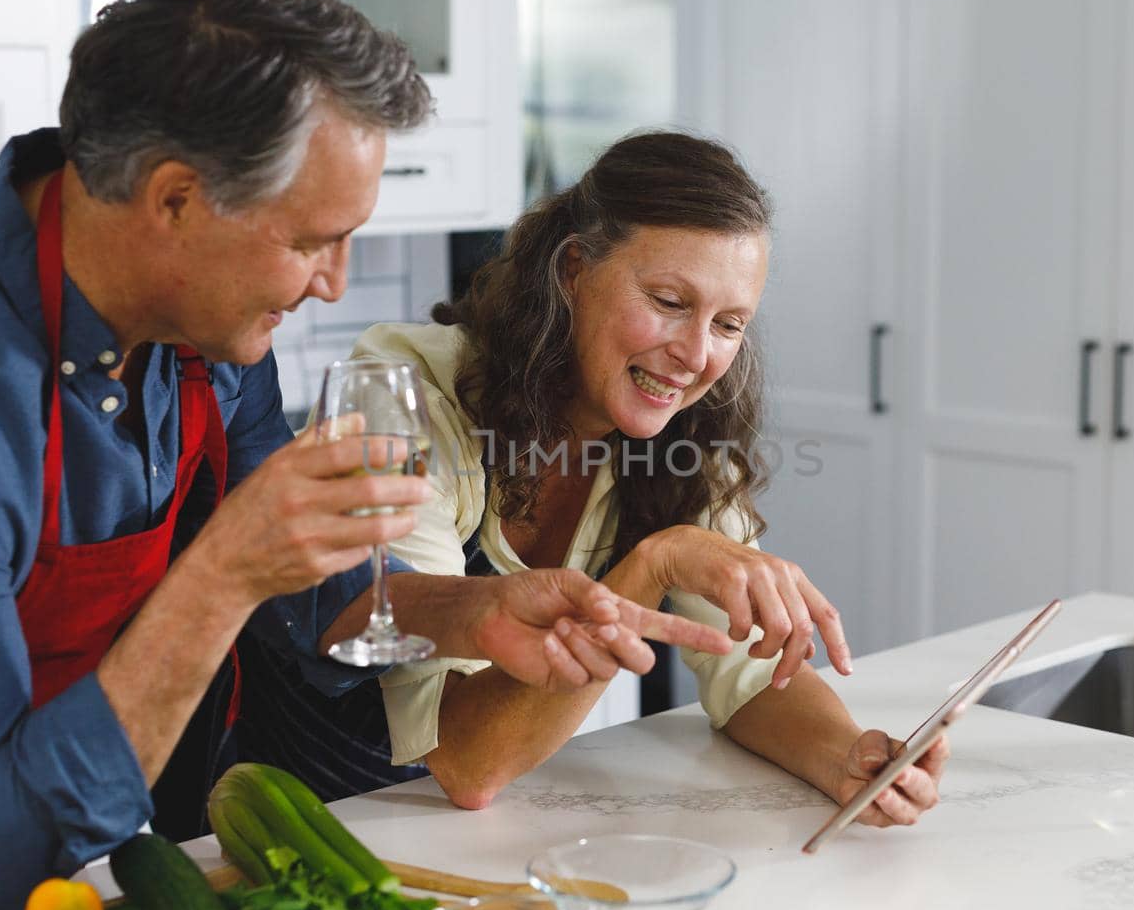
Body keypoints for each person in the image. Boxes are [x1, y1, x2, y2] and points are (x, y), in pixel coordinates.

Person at [0, 0, 728, 910]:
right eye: (313, 238)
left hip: (74, 823)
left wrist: (475, 610)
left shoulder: (197, 306)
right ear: (175, 200)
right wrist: (223, 567)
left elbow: (303, 591)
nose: (333, 280)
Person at [338, 132, 950, 818]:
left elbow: (748, 672)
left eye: (728, 323)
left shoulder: (681, 434)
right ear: (573, 270)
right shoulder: (407, 402)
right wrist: (655, 562)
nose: (694, 355)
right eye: (667, 300)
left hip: (478, 838)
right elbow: (466, 761)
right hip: (318, 822)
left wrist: (849, 759)